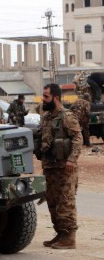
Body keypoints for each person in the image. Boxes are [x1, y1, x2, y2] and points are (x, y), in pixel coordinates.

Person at [38, 84, 82, 250]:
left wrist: (72, 159)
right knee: (52, 201)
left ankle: (69, 237)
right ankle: (60, 233)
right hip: (50, 167)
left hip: (65, 168)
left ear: (56, 98)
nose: (43, 99)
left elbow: (78, 139)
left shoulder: (67, 116)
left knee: (65, 201)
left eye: (46, 96)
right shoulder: (47, 116)